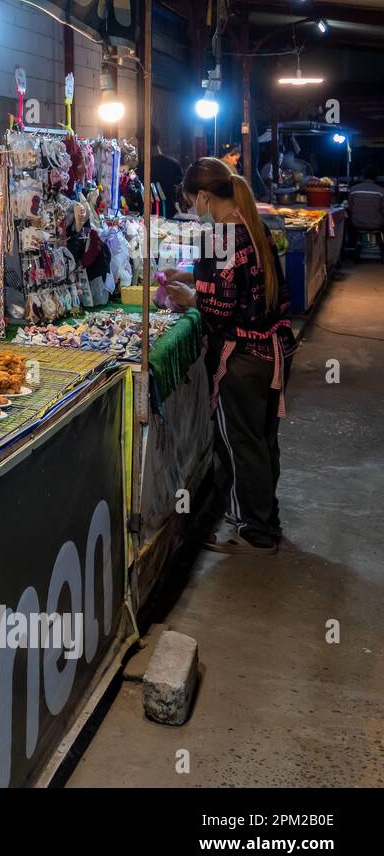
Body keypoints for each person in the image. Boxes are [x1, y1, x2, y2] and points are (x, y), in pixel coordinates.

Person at [164, 157, 296, 553]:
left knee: (240, 445)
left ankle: (252, 529)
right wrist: (191, 277)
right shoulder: (253, 228)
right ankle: (266, 519)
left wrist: (190, 298)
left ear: (204, 196)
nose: (192, 211)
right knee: (262, 441)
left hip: (242, 359)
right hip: (274, 351)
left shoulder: (220, 236)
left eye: (191, 203)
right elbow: (238, 282)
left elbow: (218, 311)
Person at [150, 128, 184, 217]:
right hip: (172, 217)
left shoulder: (142, 168)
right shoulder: (174, 164)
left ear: (142, 142)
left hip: (151, 218)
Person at [346, 165, 384, 232]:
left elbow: (350, 209)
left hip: (356, 224)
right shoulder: (381, 191)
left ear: (362, 176)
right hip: (377, 225)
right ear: (376, 177)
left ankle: (351, 242)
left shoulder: (353, 190)